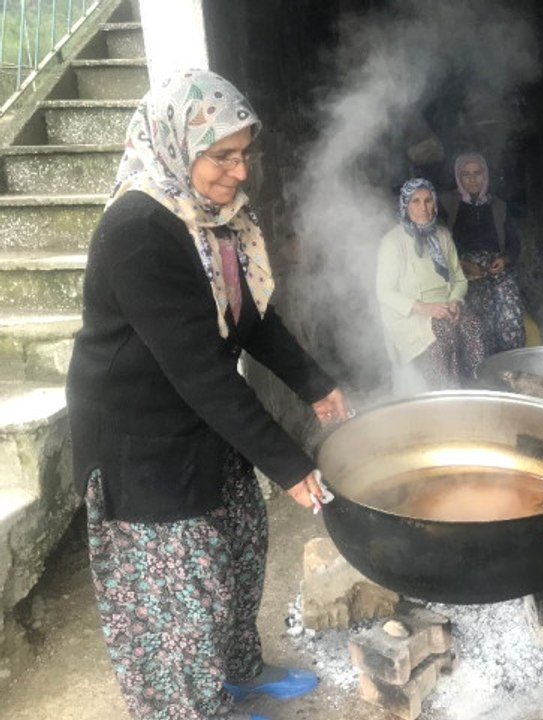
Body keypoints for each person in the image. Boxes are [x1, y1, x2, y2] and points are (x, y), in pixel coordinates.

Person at [65, 70, 351, 720]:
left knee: (241, 548)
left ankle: (240, 673)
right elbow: (200, 370)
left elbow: (252, 318)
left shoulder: (218, 222)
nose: (238, 172)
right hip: (141, 443)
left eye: (244, 153)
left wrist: (316, 384)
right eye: (221, 155)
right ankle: (192, 708)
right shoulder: (139, 229)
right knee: (180, 599)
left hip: (202, 424)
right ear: (176, 143)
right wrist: (290, 464)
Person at [376, 177, 484, 390]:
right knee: (443, 338)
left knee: (473, 326)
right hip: (413, 314)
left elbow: (459, 278)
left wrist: (454, 301)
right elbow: (384, 292)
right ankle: (445, 398)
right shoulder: (392, 242)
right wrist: (425, 308)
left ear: (435, 203)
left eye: (428, 200)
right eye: (415, 201)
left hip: (444, 307)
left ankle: (474, 390)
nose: (423, 208)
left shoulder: (443, 235)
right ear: (405, 206)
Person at [440, 152, 526, 354]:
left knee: (509, 308)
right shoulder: (446, 204)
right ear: (458, 178)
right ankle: (486, 368)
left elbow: (514, 244)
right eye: (466, 174)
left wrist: (504, 259)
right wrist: (461, 263)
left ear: (485, 175)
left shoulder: (498, 206)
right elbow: (439, 243)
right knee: (479, 314)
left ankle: (511, 362)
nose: (472, 179)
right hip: (462, 271)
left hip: (495, 269)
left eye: (477, 173)